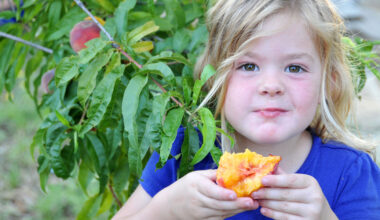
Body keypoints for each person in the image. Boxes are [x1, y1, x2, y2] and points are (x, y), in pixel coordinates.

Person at [112, 0, 380, 219]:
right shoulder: (185, 152)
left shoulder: (350, 172)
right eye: (248, 66)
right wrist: (166, 210)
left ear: (329, 81)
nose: (271, 86)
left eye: (294, 68)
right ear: (214, 77)